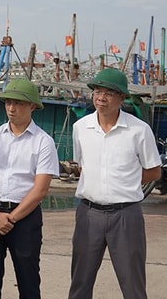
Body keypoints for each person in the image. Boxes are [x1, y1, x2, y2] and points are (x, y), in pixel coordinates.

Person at [69, 68, 161, 299]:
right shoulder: (81, 128)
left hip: (126, 215)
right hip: (88, 213)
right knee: (80, 281)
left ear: (122, 98)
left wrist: (125, 181)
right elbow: (82, 165)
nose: (101, 97)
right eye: (97, 91)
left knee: (133, 284)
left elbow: (154, 171)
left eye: (109, 93)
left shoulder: (139, 130)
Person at [0, 78, 59, 299]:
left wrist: (7, 220)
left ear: (32, 106)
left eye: (19, 103)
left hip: (25, 218)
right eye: (8, 102)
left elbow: (40, 190)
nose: (12, 108)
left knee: (28, 281)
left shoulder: (43, 142)